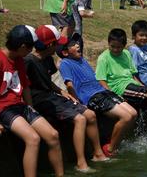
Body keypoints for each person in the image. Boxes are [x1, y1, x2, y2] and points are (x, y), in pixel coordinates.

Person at [24, 25, 108, 174]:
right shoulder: (28, 61)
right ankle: (81, 162)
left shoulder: (48, 59)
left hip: (52, 96)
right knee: (80, 119)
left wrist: (61, 91)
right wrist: (30, 107)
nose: (59, 46)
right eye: (57, 42)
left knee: (90, 114)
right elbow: (25, 87)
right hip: (40, 101)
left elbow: (47, 81)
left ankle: (98, 153)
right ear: (50, 45)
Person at [0, 25, 64, 177]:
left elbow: (25, 86)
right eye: (30, 48)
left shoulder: (19, 59)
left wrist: (30, 107)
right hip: (3, 109)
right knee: (33, 139)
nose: (32, 51)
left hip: (20, 105)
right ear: (22, 47)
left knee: (53, 135)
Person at [56, 37, 137, 157]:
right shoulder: (65, 63)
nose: (78, 45)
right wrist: (77, 101)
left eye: (77, 42)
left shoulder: (82, 59)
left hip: (102, 92)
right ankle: (109, 149)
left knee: (133, 113)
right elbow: (69, 85)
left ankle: (114, 144)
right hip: (92, 97)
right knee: (126, 117)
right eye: (73, 44)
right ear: (65, 52)